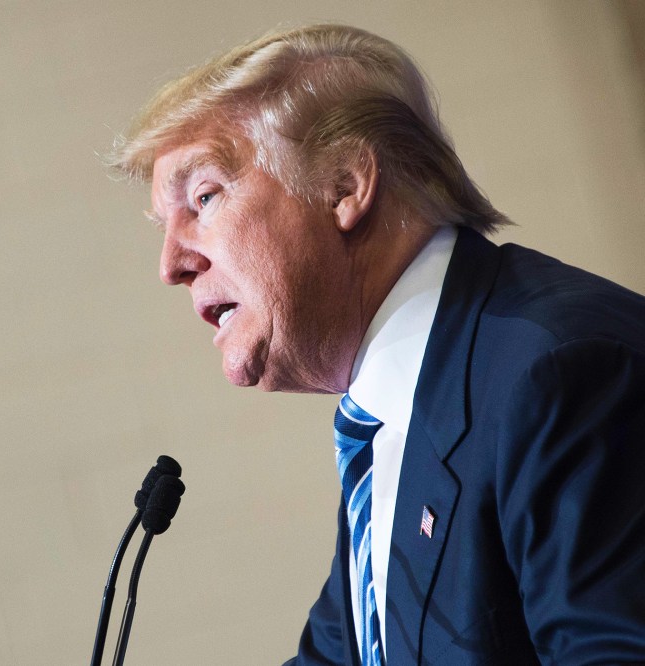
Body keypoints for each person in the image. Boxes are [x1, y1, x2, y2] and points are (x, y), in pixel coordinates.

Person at [109, 24, 645, 664]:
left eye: (204, 197)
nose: (171, 263)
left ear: (343, 184)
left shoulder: (560, 373)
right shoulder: (394, 420)